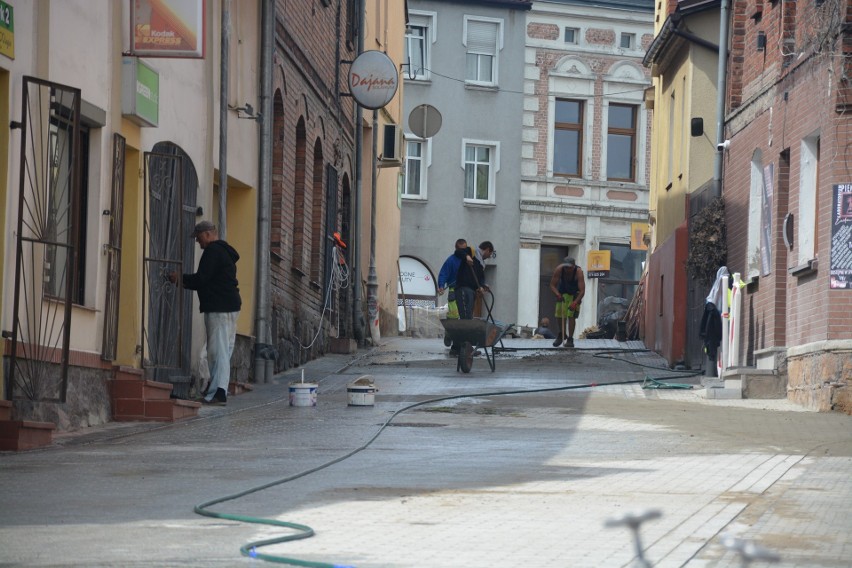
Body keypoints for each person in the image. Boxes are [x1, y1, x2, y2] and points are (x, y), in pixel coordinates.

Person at [169, 220, 241, 405]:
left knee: (217, 351)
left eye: (199, 237)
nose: (198, 242)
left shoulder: (213, 251)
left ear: (208, 234)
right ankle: (217, 390)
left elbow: (202, 279)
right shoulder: (225, 251)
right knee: (223, 351)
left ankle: (218, 393)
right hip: (230, 307)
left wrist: (180, 278)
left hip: (219, 307)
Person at [548, 256, 585, 348]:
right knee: (559, 315)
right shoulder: (559, 269)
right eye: (566, 267)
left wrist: (575, 302)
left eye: (569, 267)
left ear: (573, 266)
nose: (567, 269)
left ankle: (570, 339)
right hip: (562, 293)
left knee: (571, 316)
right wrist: (557, 294)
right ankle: (562, 334)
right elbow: (552, 285)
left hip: (575, 295)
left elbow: (582, 291)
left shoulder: (579, 272)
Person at [437, 238, 470, 320]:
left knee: (466, 315)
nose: (463, 251)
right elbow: (443, 274)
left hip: (467, 290)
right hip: (454, 290)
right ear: (456, 249)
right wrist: (441, 285)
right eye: (461, 249)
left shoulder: (469, 260)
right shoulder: (451, 260)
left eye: (465, 249)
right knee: (453, 316)